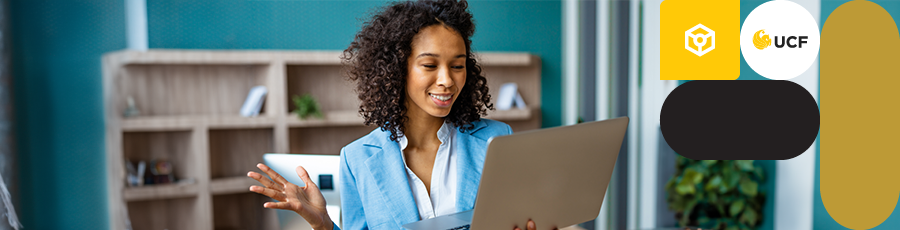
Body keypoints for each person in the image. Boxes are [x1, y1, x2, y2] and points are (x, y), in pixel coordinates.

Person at [248, 1, 548, 229]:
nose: (447, 80)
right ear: (396, 69)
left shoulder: (498, 139)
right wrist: (323, 223)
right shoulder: (356, 159)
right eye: (430, 65)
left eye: (457, 65)